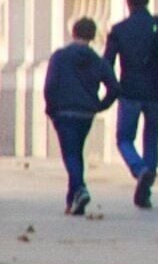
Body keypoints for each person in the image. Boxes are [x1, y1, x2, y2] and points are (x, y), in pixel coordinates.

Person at [103, 0, 158, 209]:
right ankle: (147, 183)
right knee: (151, 137)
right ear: (147, 0)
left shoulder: (119, 30)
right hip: (156, 91)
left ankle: (139, 168)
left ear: (128, 2)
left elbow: (107, 63)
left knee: (124, 138)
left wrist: (111, 87)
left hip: (130, 90)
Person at [42, 16, 108, 216]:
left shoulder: (60, 56)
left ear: (74, 32)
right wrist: (98, 105)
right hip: (85, 113)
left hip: (64, 112)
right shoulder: (97, 60)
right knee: (76, 153)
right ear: (93, 36)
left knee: (70, 154)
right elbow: (114, 87)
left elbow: (50, 86)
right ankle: (72, 201)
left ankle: (79, 188)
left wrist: (51, 108)